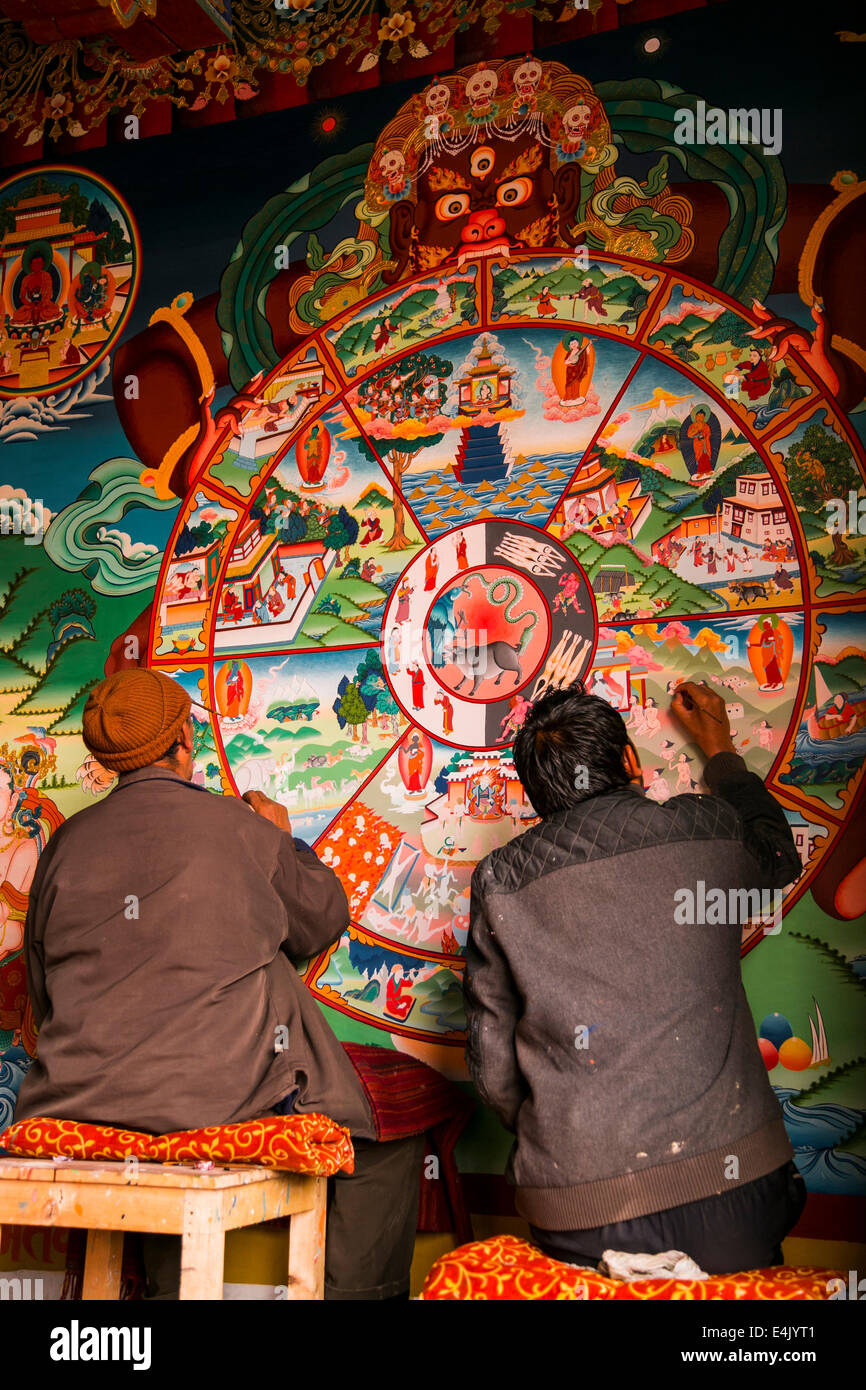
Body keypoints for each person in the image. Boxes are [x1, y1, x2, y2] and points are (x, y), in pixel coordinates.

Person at [15, 669, 423, 1299]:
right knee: (378, 1148)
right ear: (184, 736)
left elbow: (42, 991)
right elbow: (319, 920)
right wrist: (284, 838)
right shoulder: (239, 827)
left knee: (154, 1129)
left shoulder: (66, 843)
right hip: (211, 1106)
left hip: (77, 1100)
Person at [464, 680, 805, 1275]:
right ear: (628, 761)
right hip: (738, 1197)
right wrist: (721, 753)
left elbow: (494, 1069)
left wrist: (563, 1132)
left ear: (538, 794)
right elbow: (777, 856)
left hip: (577, 1212)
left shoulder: (500, 881)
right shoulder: (709, 832)